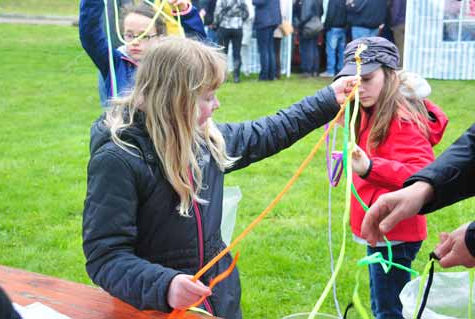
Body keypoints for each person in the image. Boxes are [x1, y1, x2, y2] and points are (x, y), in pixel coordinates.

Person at [82, 36, 358, 319]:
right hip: (154, 306)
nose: (217, 105)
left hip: (217, 295)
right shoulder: (118, 160)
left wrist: (327, 99)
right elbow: (106, 256)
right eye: (207, 97)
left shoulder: (203, 142)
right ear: (176, 99)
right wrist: (164, 285)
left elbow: (268, 131)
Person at [335, 37, 448, 319]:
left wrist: (371, 166)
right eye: (353, 79)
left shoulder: (400, 118)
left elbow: (423, 174)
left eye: (367, 78)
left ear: (390, 75)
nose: (359, 86)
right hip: (382, 230)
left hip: (394, 233)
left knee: (387, 310)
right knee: (384, 303)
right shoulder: (368, 109)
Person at [361, 124, 475, 268]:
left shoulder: (405, 123)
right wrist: (423, 188)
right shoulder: (365, 117)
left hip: (399, 236)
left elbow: (418, 164)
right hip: (384, 229)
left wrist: (370, 168)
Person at [79, 0, 206, 106]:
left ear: (160, 37)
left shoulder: (171, 65)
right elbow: (90, 35)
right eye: (129, 35)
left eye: (144, 36)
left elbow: (200, 53)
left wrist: (186, 13)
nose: (135, 41)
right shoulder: (114, 63)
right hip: (123, 134)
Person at [213, 0, 249, 83]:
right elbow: (246, 14)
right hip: (237, 28)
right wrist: (239, 20)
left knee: (222, 53)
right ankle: (236, 76)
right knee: (237, 53)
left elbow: (217, 13)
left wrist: (216, 24)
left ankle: (223, 76)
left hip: (224, 27)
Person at [252, 0, 282, 81]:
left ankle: (264, 76)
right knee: (270, 49)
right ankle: (271, 75)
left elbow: (258, 2)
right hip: (273, 21)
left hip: (264, 21)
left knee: (264, 50)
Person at [294, 0, 323, 77]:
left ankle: (307, 70)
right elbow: (321, 12)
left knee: (307, 48)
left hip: (308, 26)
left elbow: (306, 14)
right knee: (314, 48)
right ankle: (315, 70)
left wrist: (300, 25)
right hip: (316, 25)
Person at [319, 0, 347, 77]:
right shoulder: (344, 1)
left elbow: (330, 14)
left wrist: (326, 27)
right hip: (343, 28)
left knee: (331, 51)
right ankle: (341, 71)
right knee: (341, 51)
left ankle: (330, 71)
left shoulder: (332, 1)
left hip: (333, 28)